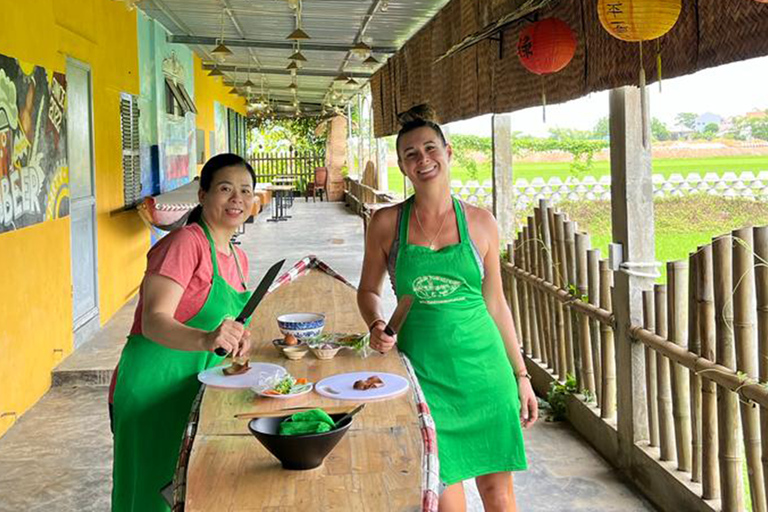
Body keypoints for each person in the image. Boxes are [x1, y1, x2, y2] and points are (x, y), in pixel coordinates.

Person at [357, 105, 538, 512]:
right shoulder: (387, 223)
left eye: (430, 148)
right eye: (410, 154)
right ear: (402, 166)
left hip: (485, 376)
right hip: (426, 379)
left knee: (499, 496)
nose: (423, 160)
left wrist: (521, 377)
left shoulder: (481, 223)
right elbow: (368, 289)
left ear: (448, 152)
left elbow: (496, 305)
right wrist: (376, 321)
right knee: (443, 501)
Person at [111, 153, 257, 512]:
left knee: (190, 495)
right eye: (225, 189)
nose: (237, 198)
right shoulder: (185, 244)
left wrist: (239, 339)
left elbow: (226, 326)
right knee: (149, 497)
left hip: (194, 389)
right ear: (203, 195)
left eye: (245, 190)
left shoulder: (239, 259)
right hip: (152, 389)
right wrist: (207, 339)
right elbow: (155, 319)